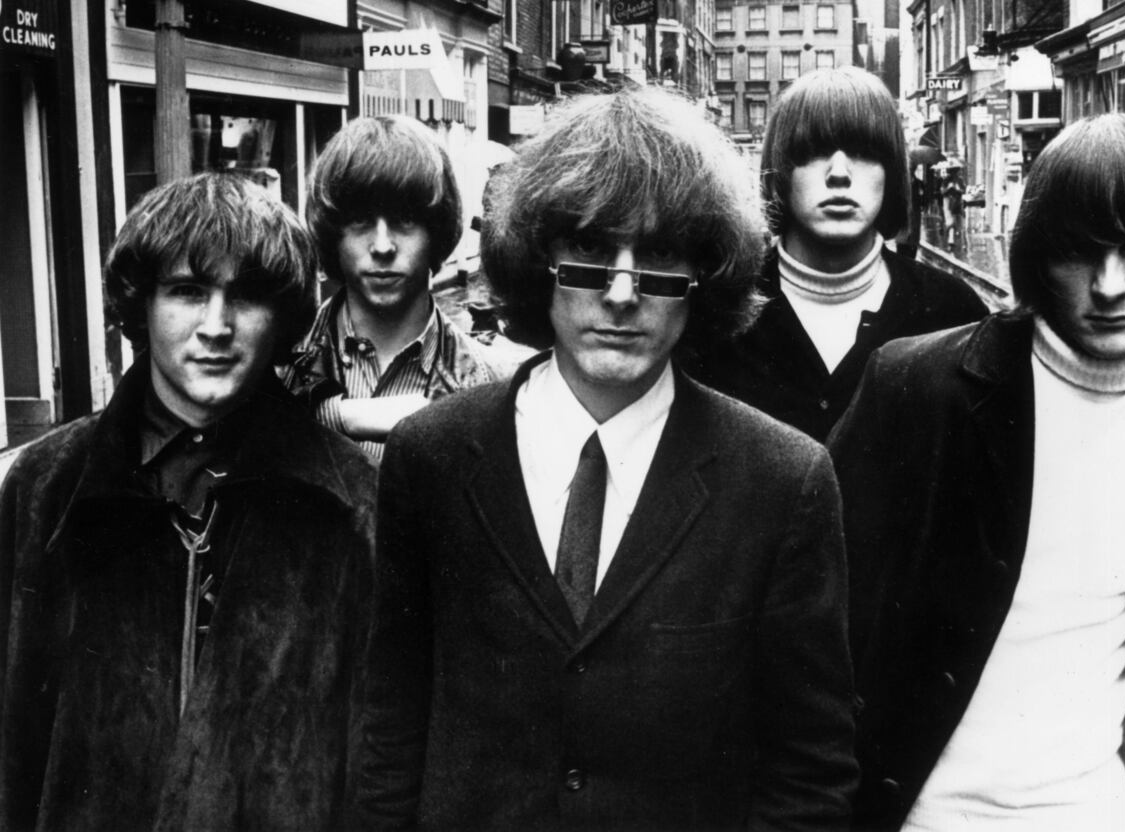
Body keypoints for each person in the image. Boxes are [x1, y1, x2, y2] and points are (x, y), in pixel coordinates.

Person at [353, 86, 857, 831]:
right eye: (590, 249)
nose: (622, 293)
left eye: (659, 256)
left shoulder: (782, 481)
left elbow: (809, 772)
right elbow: (391, 732)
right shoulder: (433, 457)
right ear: (539, 261)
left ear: (703, 278)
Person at [827, 114, 1125, 832]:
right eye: (1078, 250)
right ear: (1039, 257)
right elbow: (819, 624)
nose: (1109, 285)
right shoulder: (919, 390)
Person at [0, 173, 376, 829]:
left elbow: (375, 758)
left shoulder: (349, 503)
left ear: (283, 316)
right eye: (188, 291)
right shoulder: (44, 488)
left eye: (247, 296)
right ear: (141, 304)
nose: (216, 326)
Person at [686, 66, 986, 441]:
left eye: (864, 153)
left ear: (891, 173)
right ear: (780, 172)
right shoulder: (719, 308)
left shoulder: (953, 311)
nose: (839, 174)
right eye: (814, 152)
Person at [283, 114, 498, 460]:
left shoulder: (491, 384)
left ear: (436, 231)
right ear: (333, 234)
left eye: (405, 220)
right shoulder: (277, 366)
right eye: (360, 221)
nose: (382, 246)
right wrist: (334, 415)